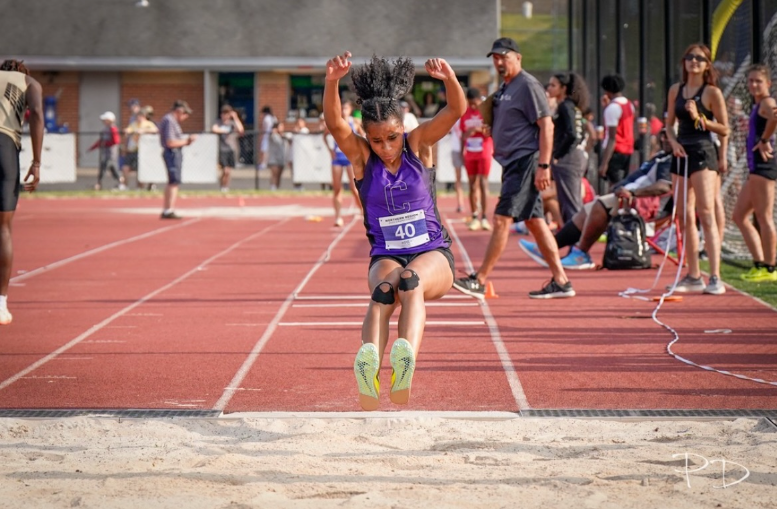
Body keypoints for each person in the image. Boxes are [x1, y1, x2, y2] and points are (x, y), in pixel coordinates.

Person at [323, 51, 465, 410]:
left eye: (391, 137)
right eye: (376, 140)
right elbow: (335, 124)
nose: (385, 148)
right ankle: (369, 361)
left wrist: (449, 79)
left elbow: (455, 111)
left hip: (432, 253)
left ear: (402, 128)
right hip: (385, 254)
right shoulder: (361, 158)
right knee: (385, 291)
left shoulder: (419, 145)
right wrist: (331, 81)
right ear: (367, 138)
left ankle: (405, 360)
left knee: (410, 281)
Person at [453, 37, 575, 299]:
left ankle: (480, 279)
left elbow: (547, 126)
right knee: (536, 222)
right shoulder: (505, 87)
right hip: (513, 163)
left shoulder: (528, 85)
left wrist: (543, 165)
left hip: (525, 162)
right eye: (495, 57)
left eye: (503, 56)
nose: (498, 61)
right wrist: (491, 128)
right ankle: (562, 281)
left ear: (517, 57)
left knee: (500, 219)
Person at [522, 130, 673, 270]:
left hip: (641, 204)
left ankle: (581, 253)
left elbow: (665, 187)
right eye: (663, 135)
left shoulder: (670, 161)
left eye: (669, 136)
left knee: (600, 205)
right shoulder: (660, 156)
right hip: (628, 199)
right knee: (588, 209)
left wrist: (632, 193)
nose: (665, 139)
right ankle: (549, 248)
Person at [665, 43, 729, 294]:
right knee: (683, 215)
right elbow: (669, 124)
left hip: (703, 152)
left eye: (700, 58)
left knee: (706, 212)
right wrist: (673, 142)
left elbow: (725, 128)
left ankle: (715, 276)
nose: (694, 61)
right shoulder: (675, 90)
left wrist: (699, 118)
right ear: (684, 62)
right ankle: (693, 275)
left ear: (707, 65)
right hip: (681, 153)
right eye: (689, 57)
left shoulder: (711, 92)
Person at [0, 59, 43, 325]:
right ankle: (0, 303)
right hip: (4, 146)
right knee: (3, 228)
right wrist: (36, 162)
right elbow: (37, 113)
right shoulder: (29, 82)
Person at [733, 64, 777, 282]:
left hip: (764, 166)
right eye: (750, 81)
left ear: (768, 83)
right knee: (739, 215)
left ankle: (771, 268)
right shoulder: (758, 104)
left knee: (764, 216)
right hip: (754, 168)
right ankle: (759, 262)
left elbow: (775, 116)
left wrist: (764, 140)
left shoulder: (768, 102)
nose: (753, 85)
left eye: (758, 81)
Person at [546, 72, 590, 225]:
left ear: (563, 88)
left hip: (569, 159)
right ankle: (575, 242)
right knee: (569, 203)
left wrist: (558, 154)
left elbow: (573, 134)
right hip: (573, 156)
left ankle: (577, 244)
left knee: (570, 205)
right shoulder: (569, 106)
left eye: (553, 85)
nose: (549, 88)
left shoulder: (566, 106)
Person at [460, 87, 494, 231]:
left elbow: (490, 130)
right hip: (470, 152)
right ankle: (474, 217)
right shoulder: (465, 113)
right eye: (470, 103)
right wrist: (463, 149)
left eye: (475, 103)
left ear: (480, 100)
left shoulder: (485, 111)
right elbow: (462, 133)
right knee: (472, 184)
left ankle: (485, 217)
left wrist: (476, 130)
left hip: (484, 150)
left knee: (483, 184)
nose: (473, 106)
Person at [326, 99, 362, 226]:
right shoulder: (336, 122)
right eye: (342, 108)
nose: (343, 110)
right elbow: (325, 134)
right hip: (338, 158)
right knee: (337, 188)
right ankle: (338, 217)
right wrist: (330, 150)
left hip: (350, 158)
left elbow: (363, 137)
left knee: (354, 188)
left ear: (351, 109)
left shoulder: (355, 122)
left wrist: (359, 152)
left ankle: (363, 211)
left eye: (346, 108)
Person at [158, 100, 197, 219]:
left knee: (172, 181)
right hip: (172, 153)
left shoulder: (170, 120)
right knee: (174, 181)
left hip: (173, 152)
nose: (185, 117)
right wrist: (187, 141)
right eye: (185, 114)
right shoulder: (170, 121)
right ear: (179, 111)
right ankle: (169, 209)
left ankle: (168, 208)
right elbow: (170, 142)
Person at [598, 74, 635, 190]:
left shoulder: (612, 108)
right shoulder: (629, 104)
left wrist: (604, 164)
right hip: (627, 150)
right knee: (623, 184)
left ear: (607, 90)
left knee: (615, 187)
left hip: (615, 152)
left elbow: (612, 138)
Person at [122, 106, 158, 189]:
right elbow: (128, 130)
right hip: (132, 150)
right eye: (137, 116)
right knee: (125, 168)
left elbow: (155, 130)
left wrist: (144, 130)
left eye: (140, 115)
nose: (139, 117)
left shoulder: (149, 124)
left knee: (141, 170)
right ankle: (124, 185)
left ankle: (140, 187)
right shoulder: (134, 124)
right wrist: (126, 131)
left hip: (143, 151)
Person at [212, 104, 244, 192]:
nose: (225, 116)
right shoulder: (218, 122)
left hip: (232, 148)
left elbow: (241, 130)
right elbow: (214, 129)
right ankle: (222, 186)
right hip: (222, 149)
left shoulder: (232, 124)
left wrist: (235, 117)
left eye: (227, 114)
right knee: (225, 170)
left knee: (228, 171)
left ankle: (226, 187)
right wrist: (225, 131)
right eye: (224, 114)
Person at [89, 111, 124, 191]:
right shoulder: (105, 129)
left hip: (111, 153)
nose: (103, 121)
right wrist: (93, 147)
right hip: (105, 153)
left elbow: (116, 141)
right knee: (106, 168)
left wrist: (106, 143)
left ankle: (119, 183)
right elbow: (100, 141)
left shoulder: (113, 128)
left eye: (105, 120)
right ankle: (100, 183)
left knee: (111, 168)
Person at [449, 117, 466, 213]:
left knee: (475, 179)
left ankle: (477, 203)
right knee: (458, 178)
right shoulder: (454, 117)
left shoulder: (468, 116)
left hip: (468, 149)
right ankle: (460, 203)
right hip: (456, 149)